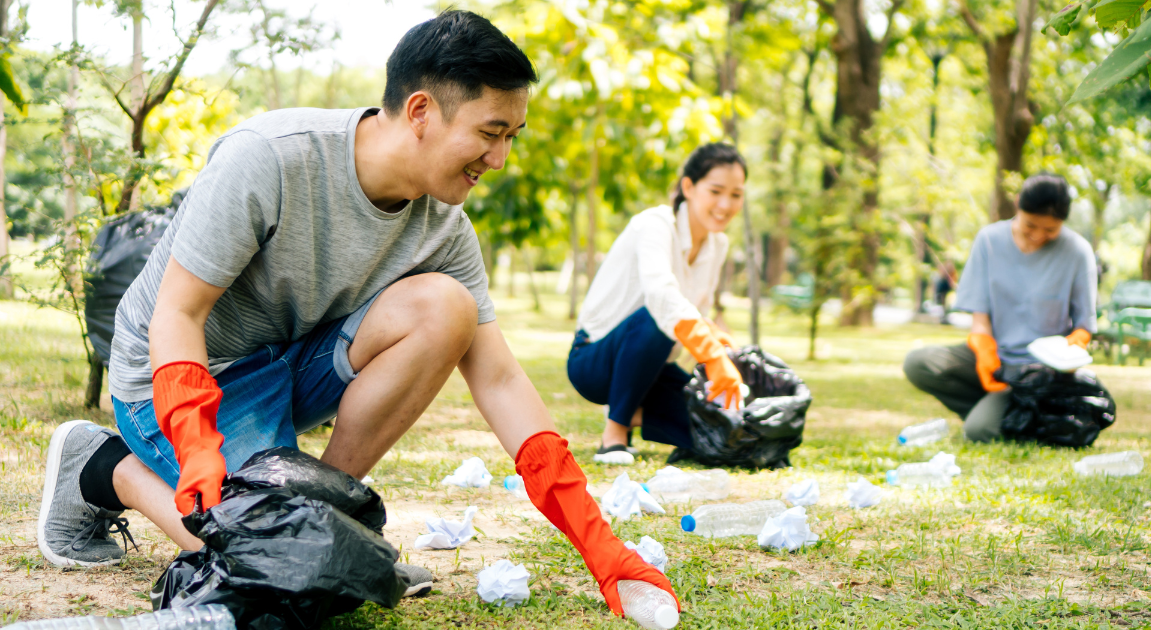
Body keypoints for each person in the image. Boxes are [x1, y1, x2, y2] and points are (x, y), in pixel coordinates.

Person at [35, 11, 676, 618]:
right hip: (177, 374)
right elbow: (177, 311)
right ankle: (103, 467)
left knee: (445, 309)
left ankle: (321, 522)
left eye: (511, 136)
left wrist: (600, 545)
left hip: (287, 366)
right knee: (281, 571)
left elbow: (502, 380)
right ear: (421, 110)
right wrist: (197, 441)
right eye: (489, 133)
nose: (501, 159)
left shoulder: (446, 232)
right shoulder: (270, 157)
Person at [568, 143, 747, 465]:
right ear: (689, 187)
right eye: (716, 190)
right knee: (658, 312)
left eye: (736, 195)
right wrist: (711, 354)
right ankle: (614, 435)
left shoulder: (718, 244)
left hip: (651, 370)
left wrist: (722, 348)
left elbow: (696, 313)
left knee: (718, 433)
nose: (725, 204)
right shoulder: (655, 224)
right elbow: (663, 297)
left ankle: (635, 412)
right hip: (594, 361)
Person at [903, 173, 1097, 442]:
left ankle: (1003, 415)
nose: (1039, 236)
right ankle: (1012, 413)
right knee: (918, 363)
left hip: (1040, 373)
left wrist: (1072, 348)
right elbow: (980, 317)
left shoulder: (1078, 251)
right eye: (1031, 225)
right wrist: (983, 347)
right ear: (1018, 204)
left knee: (979, 431)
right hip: (998, 359)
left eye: (1050, 230)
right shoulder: (989, 240)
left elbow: (1084, 326)